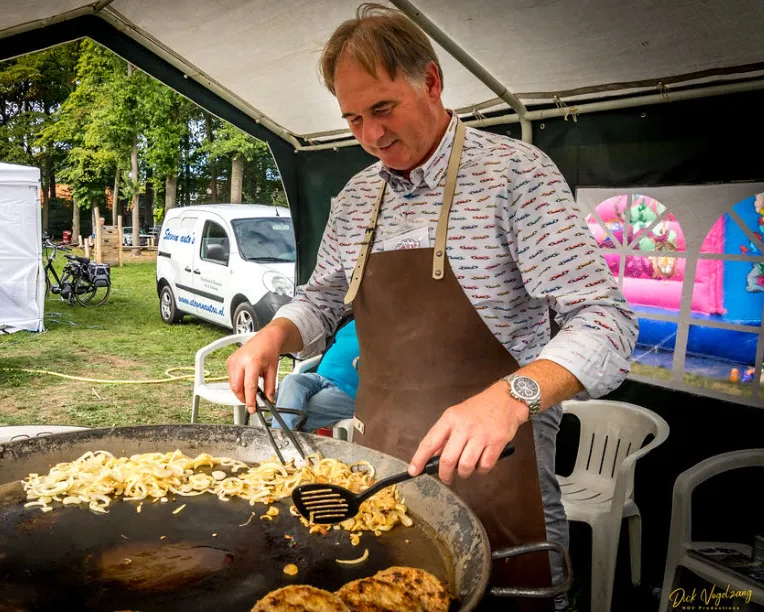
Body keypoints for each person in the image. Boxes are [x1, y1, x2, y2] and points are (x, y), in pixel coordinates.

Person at [227, 4, 638, 609]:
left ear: (431, 82)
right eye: (354, 119)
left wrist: (511, 396)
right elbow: (320, 298)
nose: (370, 135)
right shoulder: (356, 197)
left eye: (383, 109)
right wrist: (275, 333)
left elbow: (606, 320)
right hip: (382, 480)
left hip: (499, 474)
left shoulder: (515, 175)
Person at [272, 318, 359, 432]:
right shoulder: (353, 318)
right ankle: (279, 436)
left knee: (298, 411)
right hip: (320, 376)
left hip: (348, 390)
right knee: (291, 381)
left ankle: (279, 440)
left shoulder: (387, 327)